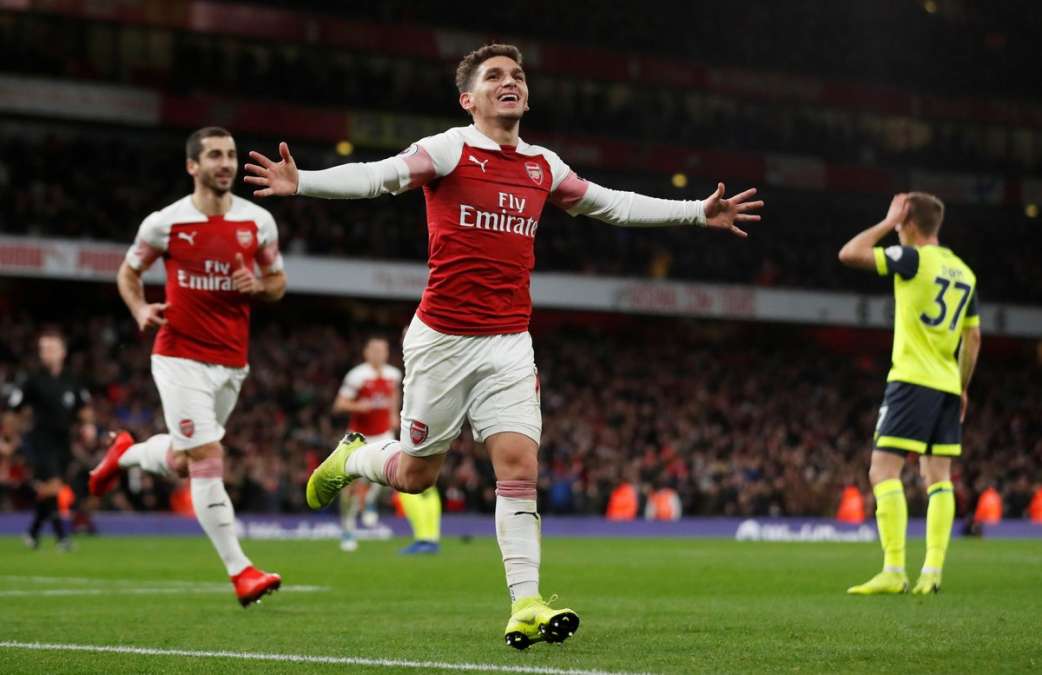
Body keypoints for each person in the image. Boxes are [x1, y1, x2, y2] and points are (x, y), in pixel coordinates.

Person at [244, 43, 761, 648]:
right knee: (414, 476)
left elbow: (613, 205)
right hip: (442, 342)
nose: (509, 81)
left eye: (517, 75)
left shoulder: (543, 165)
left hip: (509, 343)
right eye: (494, 76)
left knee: (518, 468)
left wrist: (696, 212)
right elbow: (379, 177)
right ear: (469, 99)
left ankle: (526, 603)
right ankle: (352, 459)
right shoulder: (449, 149)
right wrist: (302, 181)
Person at [88, 126, 288, 607]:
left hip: (232, 362)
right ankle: (241, 571)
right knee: (207, 456)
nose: (226, 163)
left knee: (183, 460)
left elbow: (278, 282)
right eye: (214, 155)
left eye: (230, 154)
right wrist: (140, 308)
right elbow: (128, 272)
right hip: (178, 355)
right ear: (192, 166)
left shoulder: (258, 222)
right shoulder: (165, 223)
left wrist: (258, 287)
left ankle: (125, 454)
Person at [839, 192, 981, 595]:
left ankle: (894, 569)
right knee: (939, 478)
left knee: (883, 471)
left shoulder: (913, 259)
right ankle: (932, 571)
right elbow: (973, 338)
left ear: (909, 223)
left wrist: (886, 223)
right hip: (947, 385)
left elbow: (850, 253)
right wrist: (962, 386)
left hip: (912, 380)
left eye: (901, 224)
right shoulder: (965, 273)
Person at [8, 329, 95, 551]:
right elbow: (14, 409)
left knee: (50, 489)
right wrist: (11, 437)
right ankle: (62, 538)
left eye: (51, 348)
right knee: (54, 486)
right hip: (41, 440)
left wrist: (88, 426)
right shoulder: (33, 379)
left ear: (62, 352)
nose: (47, 353)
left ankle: (33, 532)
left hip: (63, 442)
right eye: (43, 349)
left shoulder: (71, 380)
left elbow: (84, 407)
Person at [332, 336, 402, 552]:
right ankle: (348, 530)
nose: (379, 354)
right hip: (359, 437)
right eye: (375, 350)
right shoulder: (357, 376)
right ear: (366, 353)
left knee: (391, 473)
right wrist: (357, 406)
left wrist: (393, 414)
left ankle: (370, 501)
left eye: (383, 350)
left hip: (384, 434)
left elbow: (394, 394)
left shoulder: (393, 374)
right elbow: (339, 405)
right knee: (351, 486)